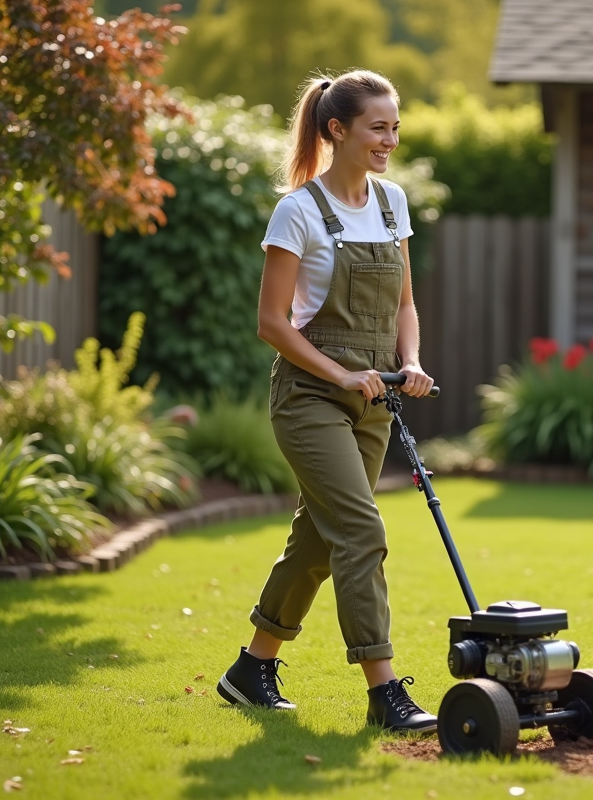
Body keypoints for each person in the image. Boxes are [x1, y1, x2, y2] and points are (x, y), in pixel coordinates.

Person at [215, 69, 437, 733]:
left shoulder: (393, 202)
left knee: (320, 538)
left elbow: (403, 302)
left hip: (375, 400)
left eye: (394, 127)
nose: (389, 140)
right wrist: (339, 375)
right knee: (362, 531)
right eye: (378, 127)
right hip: (309, 396)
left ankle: (251, 670)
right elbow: (272, 323)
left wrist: (413, 362)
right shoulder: (299, 211)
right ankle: (384, 690)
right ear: (336, 130)